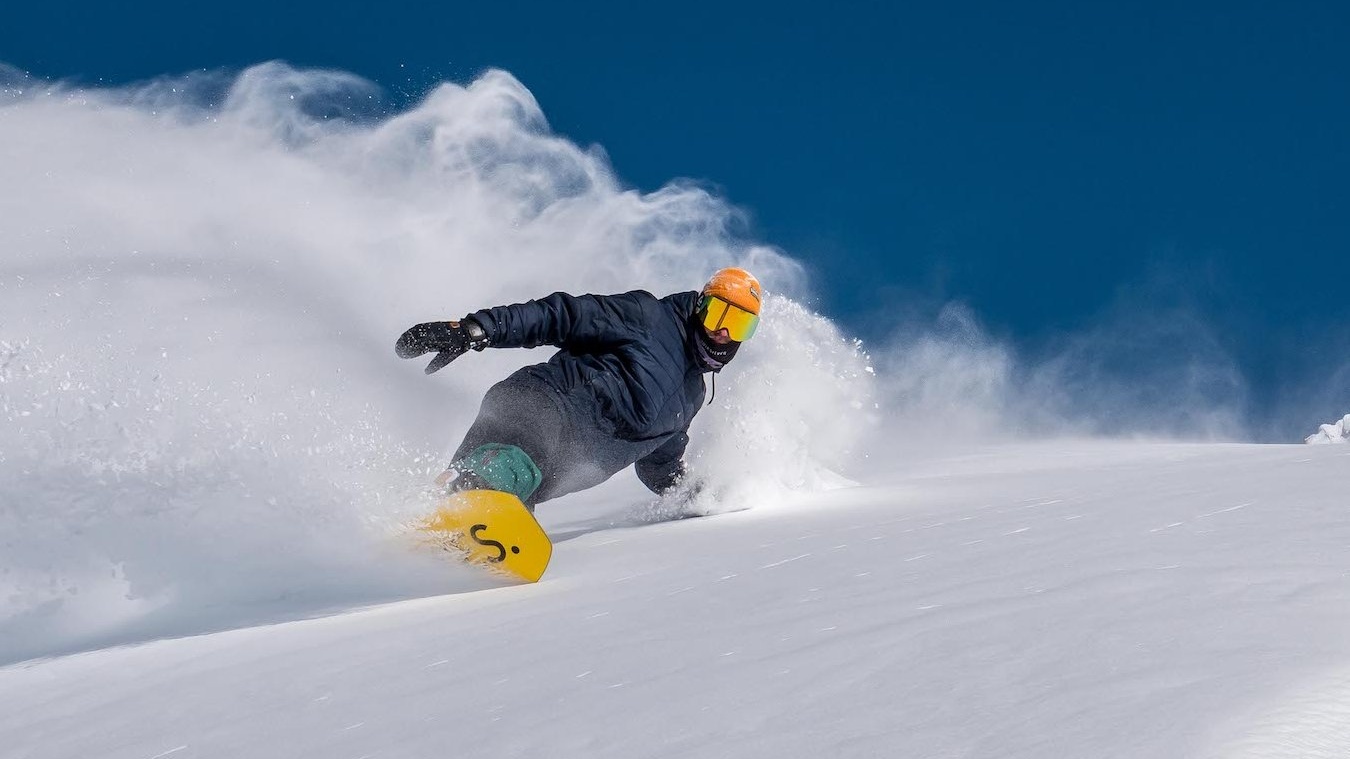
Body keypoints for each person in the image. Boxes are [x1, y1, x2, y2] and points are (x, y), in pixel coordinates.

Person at [395, 268, 763, 510]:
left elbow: (661, 463)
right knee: (511, 467)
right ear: (700, 306)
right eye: (718, 314)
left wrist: (700, 498)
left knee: (505, 486)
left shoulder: (691, 397)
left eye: (740, 325)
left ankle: (423, 513)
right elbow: (564, 315)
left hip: (541, 471)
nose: (723, 333)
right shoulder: (649, 316)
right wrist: (477, 329)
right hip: (539, 405)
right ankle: (472, 497)